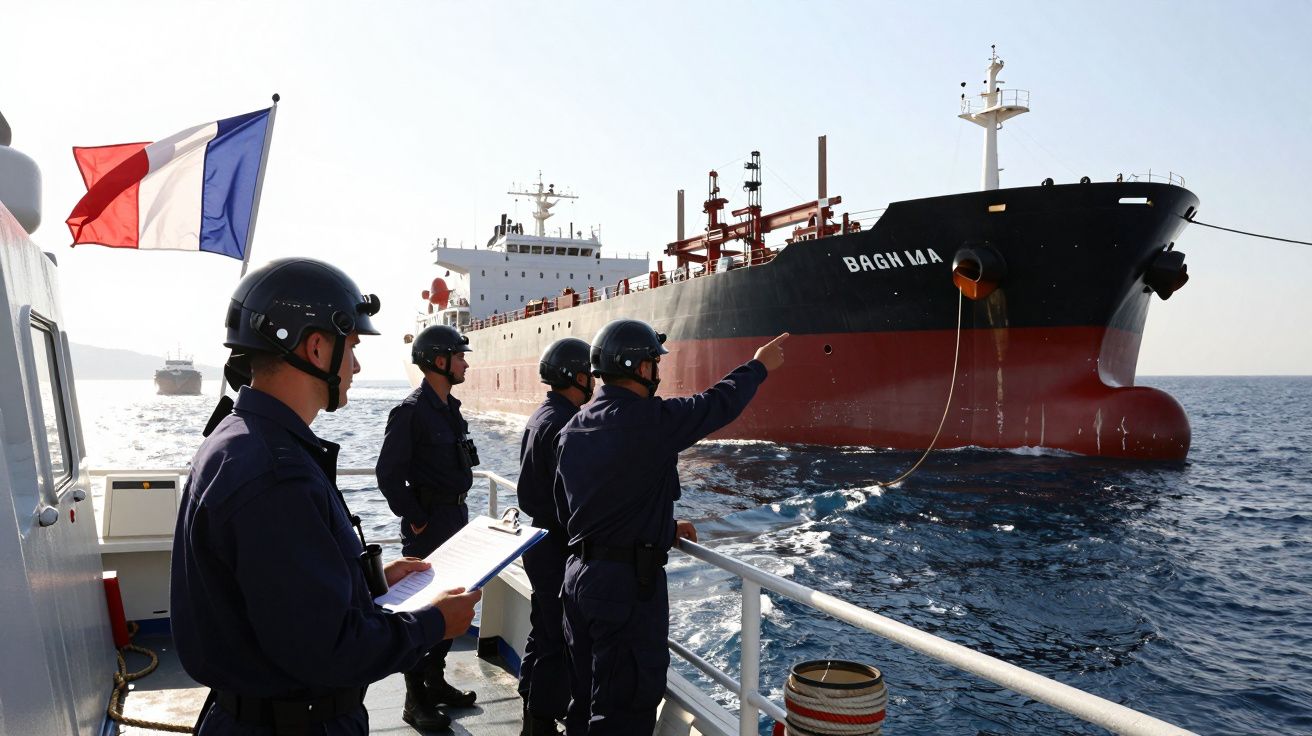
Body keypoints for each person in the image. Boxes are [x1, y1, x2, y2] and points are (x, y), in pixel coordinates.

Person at [171, 258, 481, 736]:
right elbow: (329, 650)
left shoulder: (242, 441)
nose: (356, 365)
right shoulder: (275, 475)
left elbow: (278, 597)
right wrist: (433, 624)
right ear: (316, 347)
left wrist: (370, 581)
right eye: (352, 346)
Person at [556, 320, 788, 734]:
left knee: (585, 697)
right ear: (639, 368)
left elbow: (571, 509)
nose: (656, 371)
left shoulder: (572, 427)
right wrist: (758, 365)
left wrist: (659, 526)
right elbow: (716, 404)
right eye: (651, 362)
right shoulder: (651, 420)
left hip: (578, 580)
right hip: (625, 590)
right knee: (623, 711)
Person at [375, 324, 481, 729]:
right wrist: (415, 517)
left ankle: (434, 682)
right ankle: (414, 699)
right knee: (425, 610)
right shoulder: (411, 411)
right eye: (459, 356)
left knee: (455, 601)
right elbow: (388, 474)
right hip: (429, 524)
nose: (465, 363)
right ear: (439, 361)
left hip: (456, 519)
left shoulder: (450, 409)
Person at [516, 337, 594, 735]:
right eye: (590, 375)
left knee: (543, 627)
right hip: (556, 544)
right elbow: (573, 497)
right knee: (556, 640)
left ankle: (532, 709)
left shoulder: (541, 416)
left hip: (537, 539)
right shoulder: (566, 423)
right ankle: (541, 722)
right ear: (578, 376)